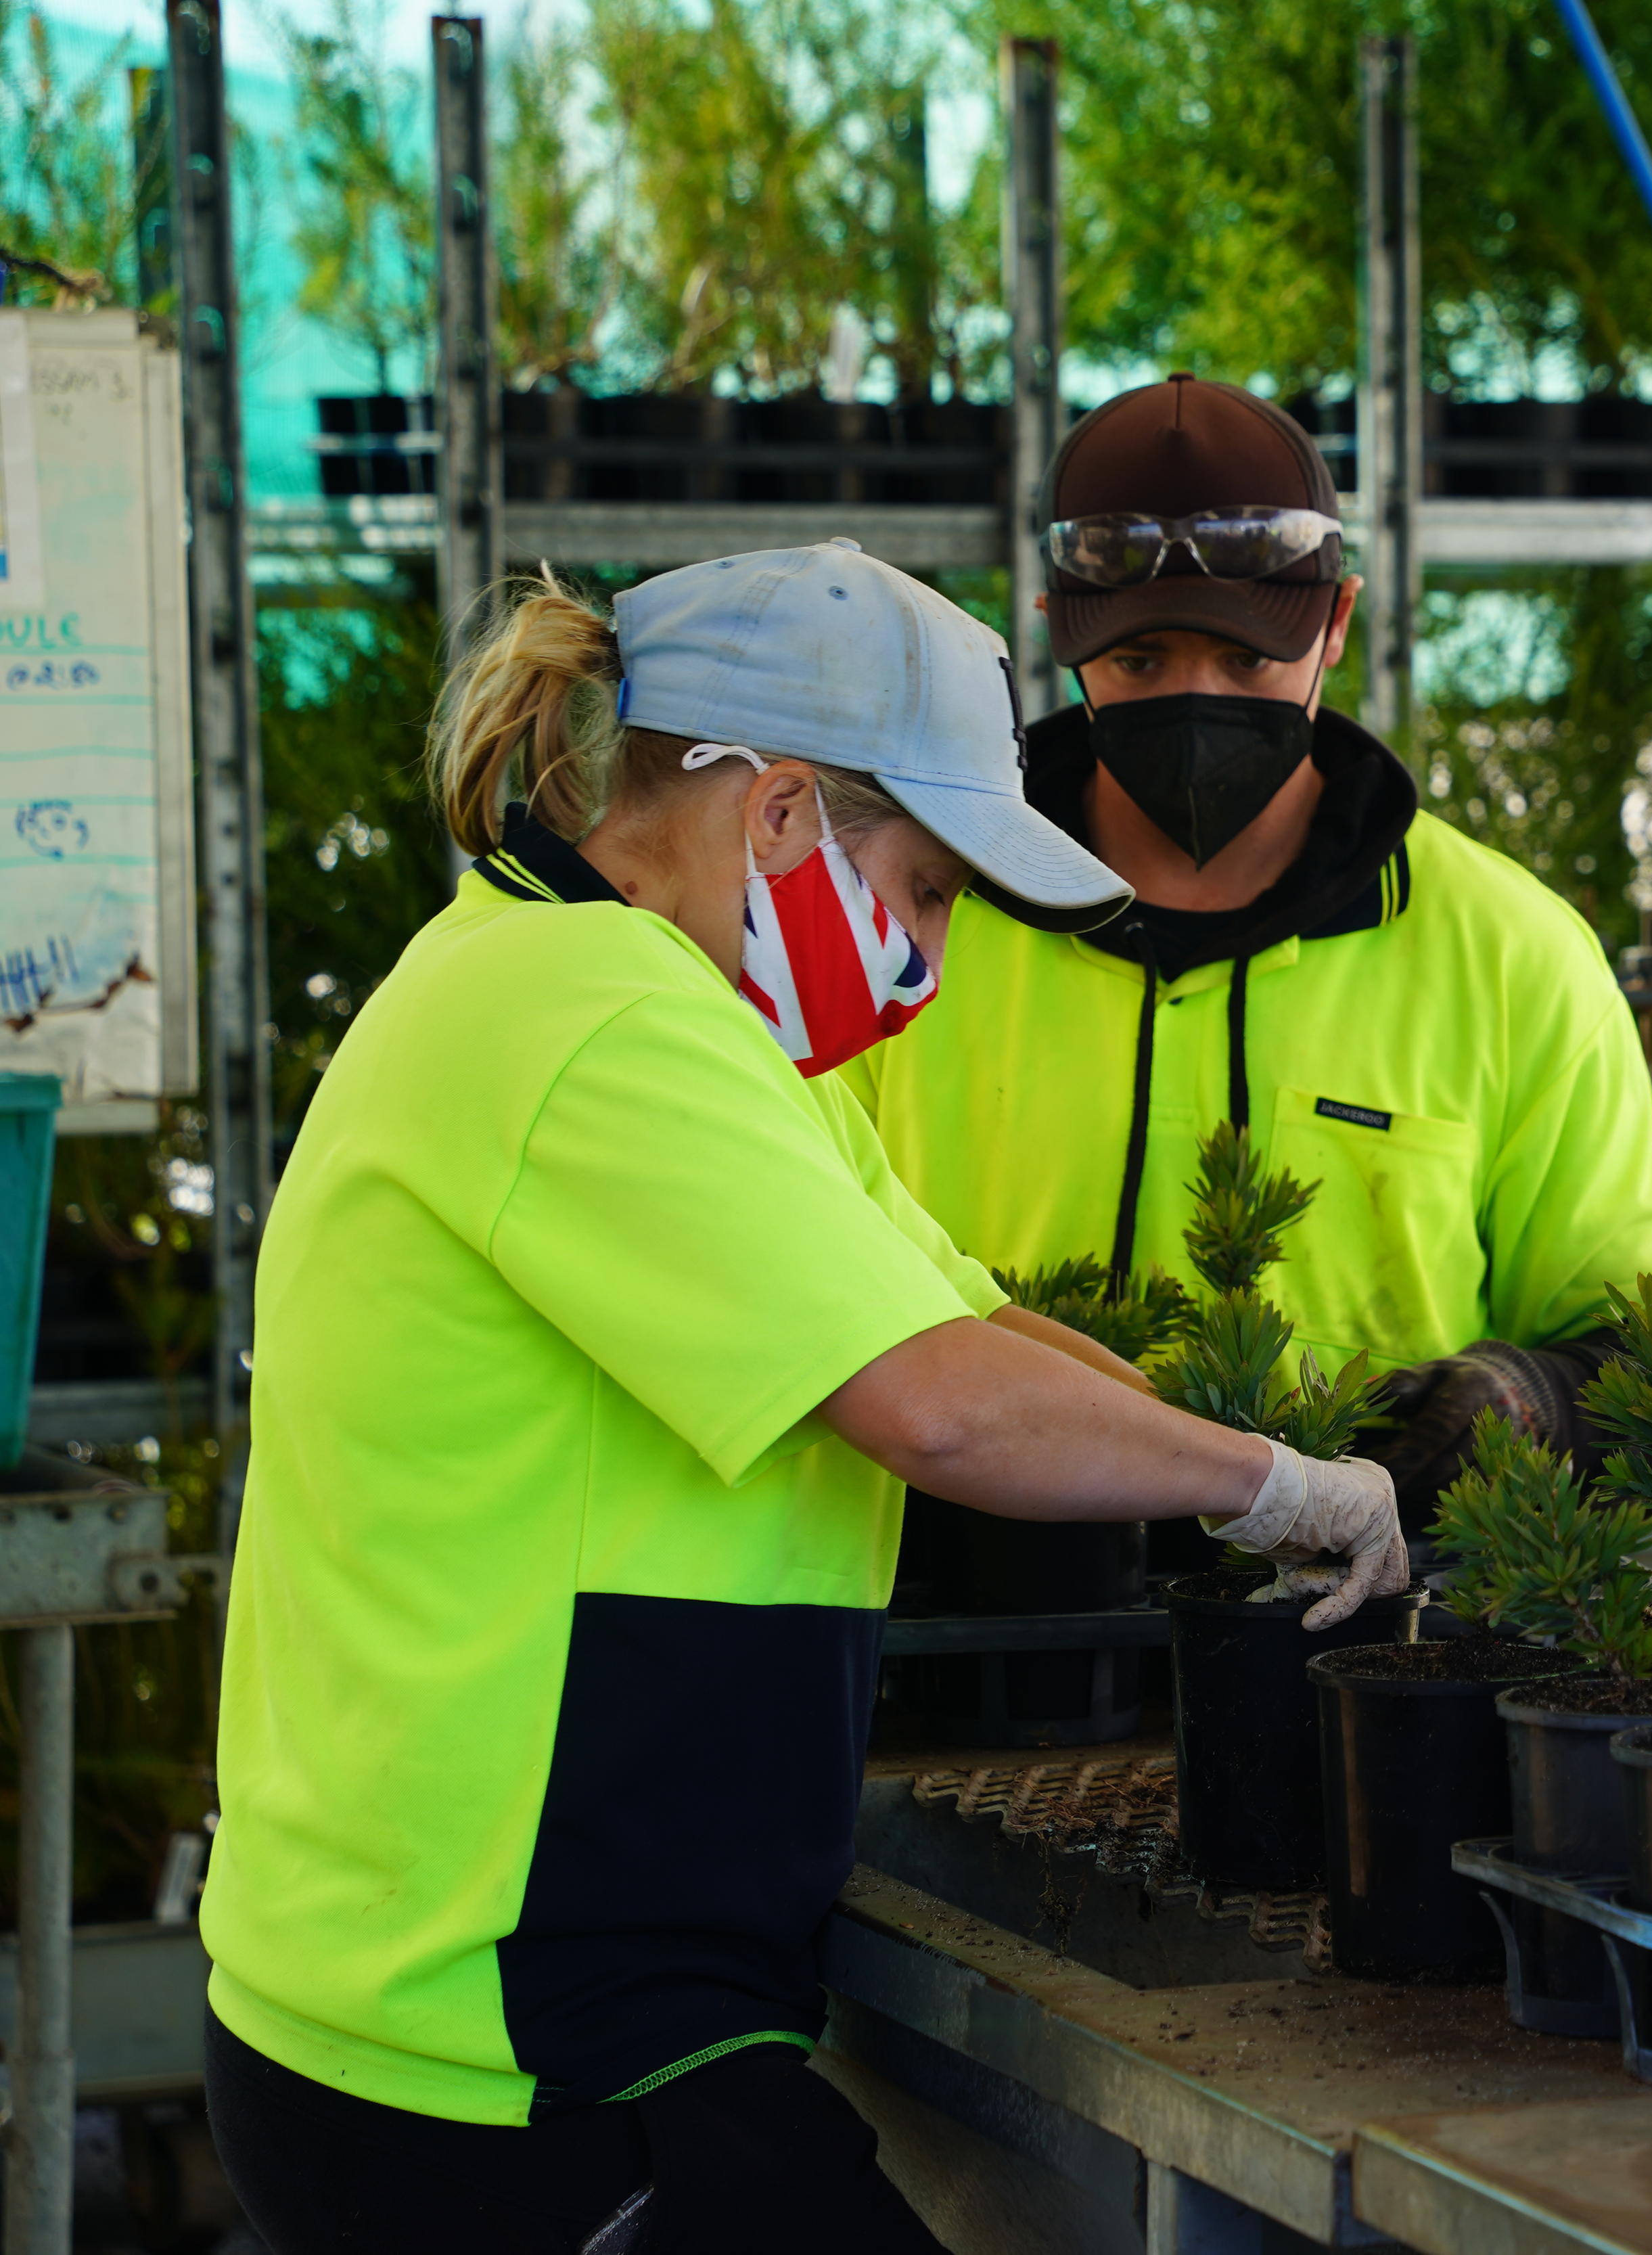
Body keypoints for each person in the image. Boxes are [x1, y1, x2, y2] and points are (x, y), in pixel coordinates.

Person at [199, 543, 1406, 2252]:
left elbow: (973, 1319)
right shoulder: (588, 1018)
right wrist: (1274, 1487)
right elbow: (938, 1404)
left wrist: (1234, 1449)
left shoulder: (662, 1015)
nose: (929, 959)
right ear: (775, 816)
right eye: (925, 890)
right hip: (498, 2051)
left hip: (528, 2006)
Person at [844, 374, 1652, 1540]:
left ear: (1336, 622)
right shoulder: (902, 920)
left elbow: (1649, 1346)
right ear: (1057, 629)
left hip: (1370, 1613)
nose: (1195, 699)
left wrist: (1524, 1401)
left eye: (1247, 661)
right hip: (972, 1606)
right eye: (1141, 661)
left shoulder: (1511, 956)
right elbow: (800, 1263)